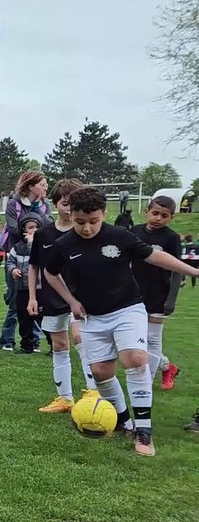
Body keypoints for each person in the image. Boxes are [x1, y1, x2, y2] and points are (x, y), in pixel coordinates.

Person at [43, 187, 199, 457]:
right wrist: (71, 301)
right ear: (72, 216)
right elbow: (50, 272)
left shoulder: (120, 236)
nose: (87, 228)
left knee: (135, 358)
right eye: (80, 222)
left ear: (104, 214)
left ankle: (144, 431)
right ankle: (123, 422)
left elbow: (155, 256)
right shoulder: (64, 245)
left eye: (93, 221)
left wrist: (193, 270)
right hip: (92, 316)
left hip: (128, 309)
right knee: (101, 372)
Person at [28, 179, 99, 413]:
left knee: (81, 338)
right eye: (65, 203)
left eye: (73, 204)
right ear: (55, 203)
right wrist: (32, 297)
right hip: (52, 297)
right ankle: (65, 398)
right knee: (59, 344)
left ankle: (92, 392)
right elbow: (34, 266)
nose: (69, 209)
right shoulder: (44, 234)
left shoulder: (87, 232)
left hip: (83, 297)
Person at [131, 196, 184, 390]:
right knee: (134, 339)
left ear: (171, 217)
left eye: (164, 215)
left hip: (158, 294)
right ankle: (167, 366)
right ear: (147, 211)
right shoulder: (134, 232)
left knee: (152, 338)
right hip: (133, 293)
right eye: (155, 213)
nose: (158, 218)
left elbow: (178, 269)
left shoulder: (171, 238)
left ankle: (147, 379)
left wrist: (171, 299)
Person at [0, 171, 52, 351]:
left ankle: (33, 341)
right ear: (31, 186)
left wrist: (37, 209)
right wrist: (30, 230)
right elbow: (14, 229)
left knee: (37, 301)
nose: (45, 188)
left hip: (38, 257)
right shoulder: (14, 204)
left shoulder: (45, 205)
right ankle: (7, 339)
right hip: (17, 255)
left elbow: (48, 227)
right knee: (16, 303)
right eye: (42, 185)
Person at [6, 215, 44, 354]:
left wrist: (31, 243)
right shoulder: (17, 247)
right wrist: (13, 270)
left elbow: (36, 256)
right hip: (22, 287)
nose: (34, 230)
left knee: (39, 317)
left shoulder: (40, 245)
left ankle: (37, 342)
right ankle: (26, 344)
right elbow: (10, 261)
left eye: (36, 227)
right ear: (24, 230)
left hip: (38, 287)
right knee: (23, 317)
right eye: (30, 228)